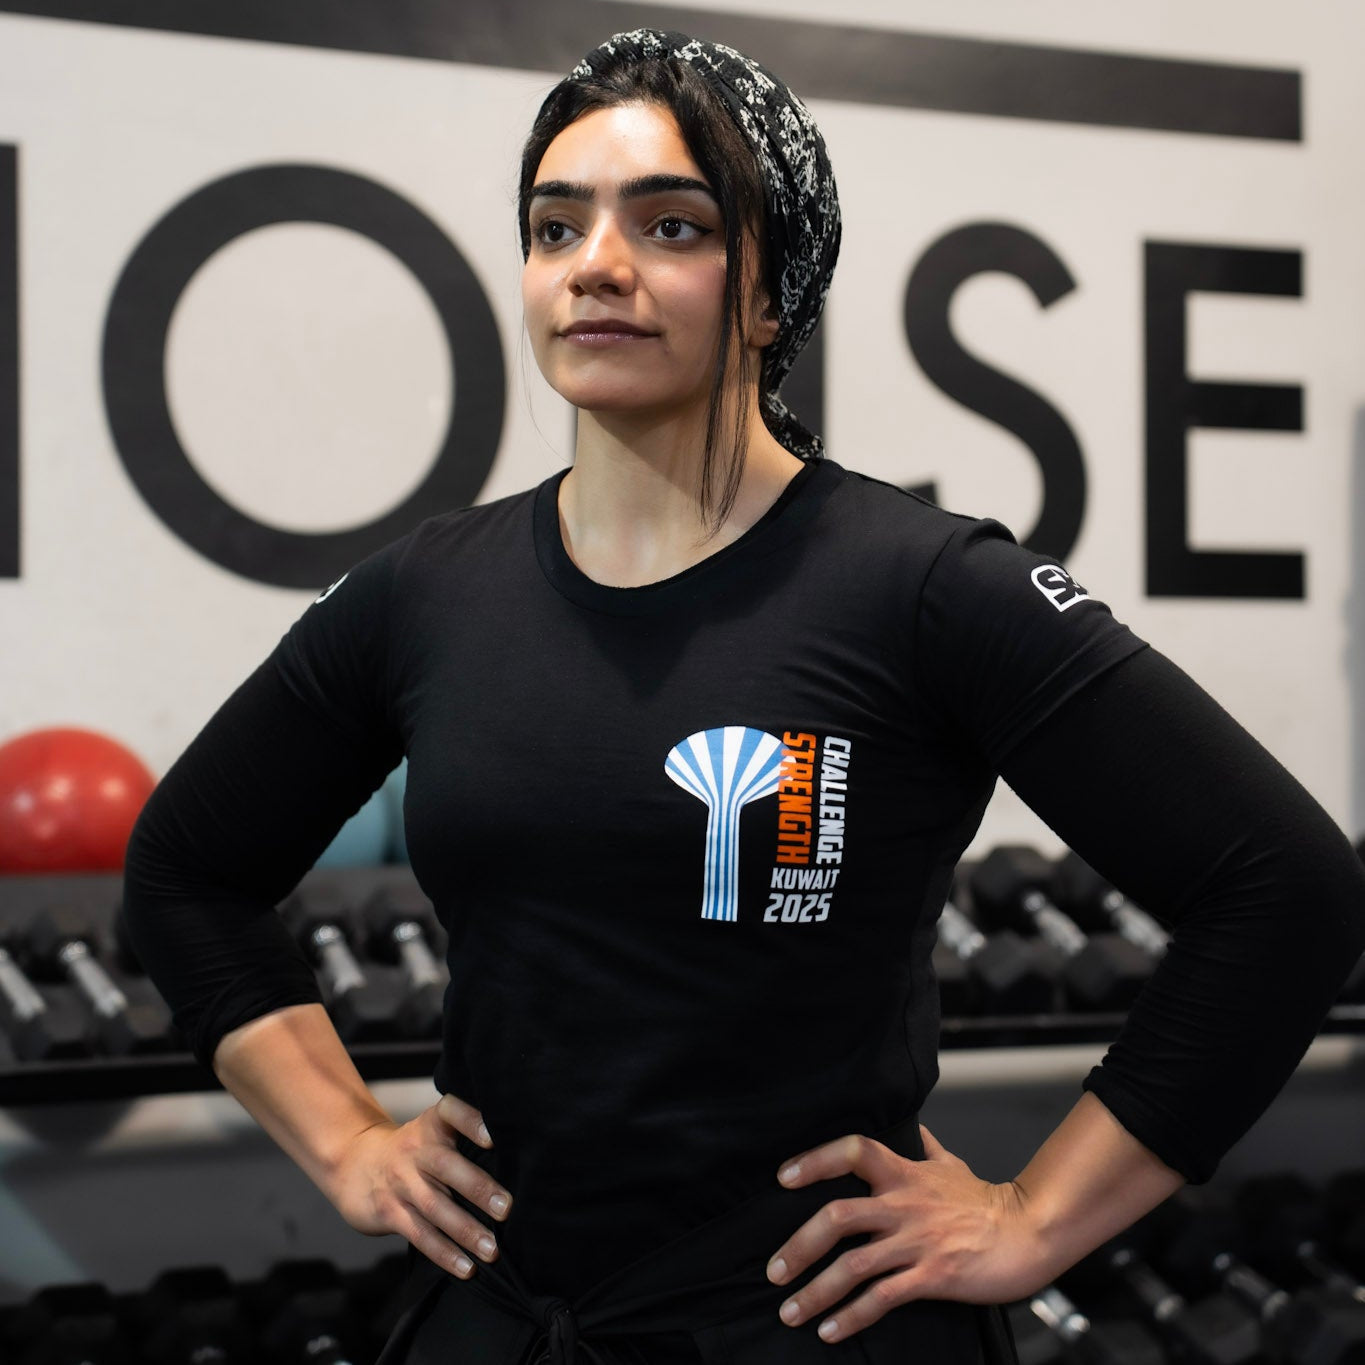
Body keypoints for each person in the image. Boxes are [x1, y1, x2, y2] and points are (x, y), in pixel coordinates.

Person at [122, 27, 1365, 1365]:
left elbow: (1283, 890)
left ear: (774, 289)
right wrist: (350, 1143)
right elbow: (186, 871)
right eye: (554, 227)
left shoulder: (922, 586)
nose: (595, 264)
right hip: (506, 1313)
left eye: (670, 225)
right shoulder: (427, 592)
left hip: (806, 1321)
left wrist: (1033, 1219)